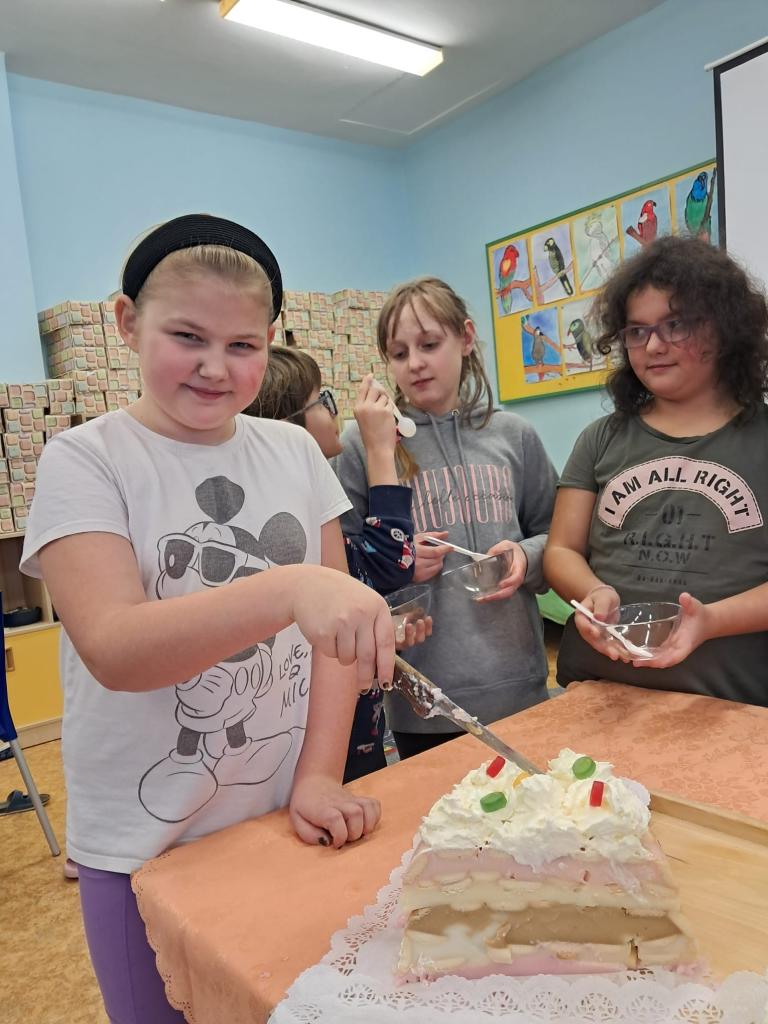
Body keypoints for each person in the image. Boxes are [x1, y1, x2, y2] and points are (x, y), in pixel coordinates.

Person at [20, 214, 394, 1024]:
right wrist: (289, 589)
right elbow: (115, 648)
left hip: (277, 819)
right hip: (144, 849)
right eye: (187, 336)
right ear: (128, 322)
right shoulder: (84, 460)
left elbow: (332, 643)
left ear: (271, 342)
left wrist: (320, 776)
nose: (215, 367)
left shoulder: (293, 453)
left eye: (243, 345)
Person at [334, 277, 558, 759]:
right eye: (399, 353)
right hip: (421, 698)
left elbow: (557, 536)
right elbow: (342, 565)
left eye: (429, 345)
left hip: (519, 686)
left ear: (466, 338)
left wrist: (526, 556)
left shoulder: (514, 435)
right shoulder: (363, 444)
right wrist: (396, 565)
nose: (414, 363)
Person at [544, 235, 768, 706]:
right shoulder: (600, 438)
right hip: (597, 694)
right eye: (637, 330)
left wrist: (711, 622)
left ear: (725, 327)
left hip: (729, 705)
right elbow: (561, 549)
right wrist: (593, 591)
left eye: (676, 325)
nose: (653, 345)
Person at [248, 347, 427, 780]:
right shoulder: (294, 534)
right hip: (326, 749)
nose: (334, 412)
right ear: (291, 427)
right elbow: (393, 561)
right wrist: (379, 450)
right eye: (323, 401)